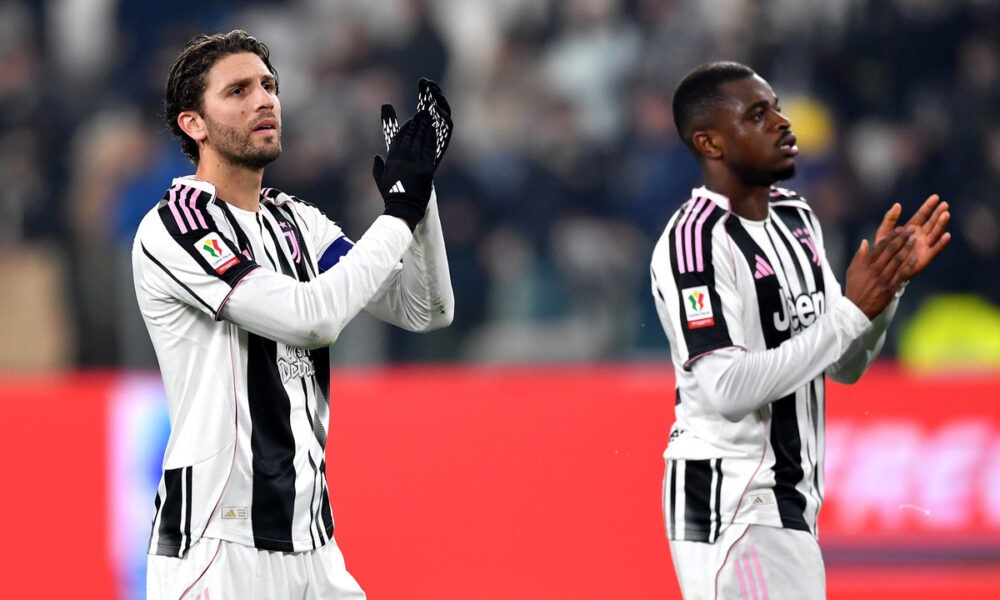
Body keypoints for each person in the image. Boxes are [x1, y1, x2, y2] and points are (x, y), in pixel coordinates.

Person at [132, 30, 454, 600]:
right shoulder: (176, 225)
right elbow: (313, 320)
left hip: (314, 543)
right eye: (238, 90)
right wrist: (397, 213)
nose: (264, 100)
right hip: (218, 545)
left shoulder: (296, 221)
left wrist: (420, 200)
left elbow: (425, 309)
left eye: (269, 85)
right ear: (194, 124)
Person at [650, 62, 950, 599]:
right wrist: (850, 313)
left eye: (777, 108)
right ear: (710, 143)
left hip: (788, 504)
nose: (783, 124)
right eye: (758, 115)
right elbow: (726, 389)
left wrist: (883, 293)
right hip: (732, 503)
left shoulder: (797, 218)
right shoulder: (693, 243)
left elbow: (844, 364)